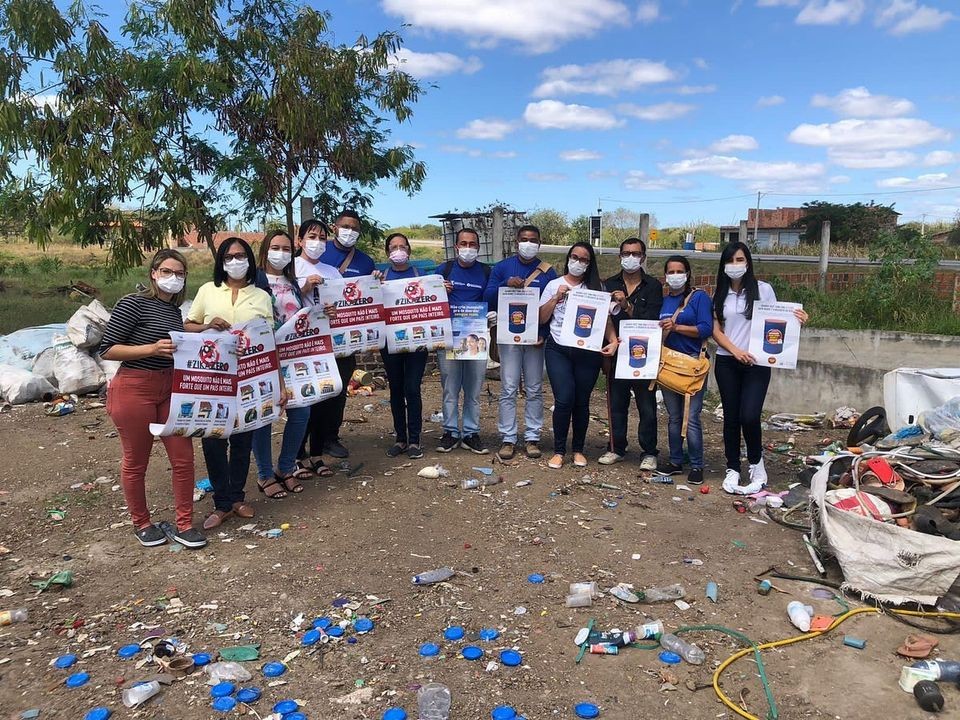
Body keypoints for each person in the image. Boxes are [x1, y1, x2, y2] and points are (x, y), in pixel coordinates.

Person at [99, 249, 207, 549]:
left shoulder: (174, 309)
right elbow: (107, 349)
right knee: (137, 461)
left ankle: (185, 524)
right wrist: (149, 349)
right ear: (154, 273)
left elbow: (178, 334)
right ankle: (142, 522)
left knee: (183, 458)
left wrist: (207, 328)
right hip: (134, 387)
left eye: (180, 273)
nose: (174, 278)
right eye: (168, 271)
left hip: (169, 388)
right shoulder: (132, 303)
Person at [185, 237, 275, 530]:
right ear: (221, 262)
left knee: (241, 441)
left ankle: (237, 498)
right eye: (229, 256)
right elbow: (187, 325)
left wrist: (278, 382)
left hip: (249, 379)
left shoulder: (261, 296)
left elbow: (268, 339)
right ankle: (221, 503)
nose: (235, 261)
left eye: (241, 256)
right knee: (213, 441)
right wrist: (208, 326)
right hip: (212, 380)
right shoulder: (208, 291)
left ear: (250, 260)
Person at [712, 241, 808, 494]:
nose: (735, 265)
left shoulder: (763, 290)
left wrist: (799, 320)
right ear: (723, 265)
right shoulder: (720, 293)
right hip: (727, 361)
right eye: (730, 261)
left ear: (748, 262)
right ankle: (733, 467)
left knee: (750, 415)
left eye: (740, 260)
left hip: (757, 364)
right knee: (731, 418)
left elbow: (777, 319)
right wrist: (735, 351)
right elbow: (715, 329)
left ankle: (756, 464)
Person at [250, 230, 328, 500]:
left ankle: (285, 467)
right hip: (265, 357)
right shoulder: (255, 279)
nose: (281, 253)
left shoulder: (291, 280)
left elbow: (299, 315)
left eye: (285, 248)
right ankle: (264, 474)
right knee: (264, 417)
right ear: (265, 250)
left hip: (294, 357)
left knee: (301, 413)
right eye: (275, 247)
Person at [539, 242, 619, 469]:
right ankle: (558, 450)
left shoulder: (596, 288)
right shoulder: (554, 284)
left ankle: (578, 450)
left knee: (582, 402)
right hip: (559, 348)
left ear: (589, 263)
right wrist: (556, 299)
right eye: (574, 257)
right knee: (564, 398)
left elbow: (605, 320)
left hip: (588, 352)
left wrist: (613, 341)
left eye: (584, 259)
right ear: (568, 258)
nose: (578, 262)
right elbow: (542, 318)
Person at [484, 225, 558, 460]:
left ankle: (533, 437)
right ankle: (508, 438)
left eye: (533, 240)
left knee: (535, 388)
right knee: (508, 387)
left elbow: (553, 307)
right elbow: (487, 296)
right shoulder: (502, 267)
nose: (528, 243)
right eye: (524, 239)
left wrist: (544, 334)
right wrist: (506, 284)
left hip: (535, 338)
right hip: (509, 336)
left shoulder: (547, 272)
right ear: (517, 241)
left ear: (539, 242)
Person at [311, 209, 376, 458]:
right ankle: (308, 439)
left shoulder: (365, 262)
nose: (350, 231)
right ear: (334, 227)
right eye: (345, 226)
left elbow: (368, 298)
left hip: (346, 337)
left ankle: (331, 437)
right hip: (316, 334)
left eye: (355, 228)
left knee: (339, 388)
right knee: (316, 388)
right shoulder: (318, 251)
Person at [600, 238, 663, 469]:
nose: (630, 258)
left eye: (636, 254)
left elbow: (652, 320)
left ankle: (649, 451)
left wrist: (627, 307)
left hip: (644, 355)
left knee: (646, 405)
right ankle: (616, 447)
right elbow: (604, 319)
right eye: (626, 253)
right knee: (617, 403)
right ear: (619, 256)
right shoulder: (608, 284)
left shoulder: (653, 286)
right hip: (617, 352)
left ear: (643, 257)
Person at [658, 255, 713, 485]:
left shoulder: (698, 298)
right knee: (673, 416)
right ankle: (675, 460)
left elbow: (705, 328)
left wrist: (677, 326)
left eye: (679, 271)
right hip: (668, 363)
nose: (675, 275)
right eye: (670, 271)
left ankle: (697, 465)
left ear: (688, 274)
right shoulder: (665, 300)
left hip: (692, 363)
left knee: (691, 417)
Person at [436, 227, 491, 454]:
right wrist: (440, 291)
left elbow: (492, 298)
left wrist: (492, 314)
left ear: (478, 248)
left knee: (474, 388)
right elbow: (429, 300)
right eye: (464, 244)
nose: (468, 248)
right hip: (449, 336)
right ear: (456, 246)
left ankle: (470, 433)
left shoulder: (486, 272)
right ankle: (450, 431)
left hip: (476, 336)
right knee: (450, 388)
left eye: (473, 244)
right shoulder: (444, 269)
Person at [292, 219, 341, 474]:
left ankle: (317, 454)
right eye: (312, 237)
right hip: (299, 345)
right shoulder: (291, 268)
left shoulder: (332, 271)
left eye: (322, 238)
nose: (317, 243)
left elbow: (344, 303)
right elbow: (282, 302)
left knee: (324, 399)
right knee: (302, 401)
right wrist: (305, 286)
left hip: (326, 343)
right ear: (300, 240)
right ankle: (297, 456)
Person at [376, 233, 427, 459]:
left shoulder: (422, 275)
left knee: (412, 389)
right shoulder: (380, 277)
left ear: (409, 250)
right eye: (393, 247)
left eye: (402, 246)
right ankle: (400, 439)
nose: (398, 250)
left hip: (417, 342)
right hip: (390, 342)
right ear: (387, 252)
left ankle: (415, 439)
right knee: (396, 389)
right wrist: (372, 285)